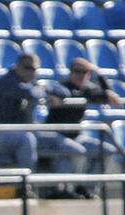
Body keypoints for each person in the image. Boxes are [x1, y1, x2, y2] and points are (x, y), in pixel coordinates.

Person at [0, 54, 85, 198]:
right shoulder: (7, 82)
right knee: (26, 139)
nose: (30, 72)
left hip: (21, 132)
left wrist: (45, 88)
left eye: (34, 69)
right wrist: (45, 93)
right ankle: (24, 188)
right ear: (17, 67)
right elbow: (29, 92)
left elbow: (64, 92)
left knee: (68, 146)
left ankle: (62, 190)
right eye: (27, 68)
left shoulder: (33, 82)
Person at [45, 58, 122, 187]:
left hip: (76, 136)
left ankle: (86, 189)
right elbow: (54, 92)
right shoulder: (62, 87)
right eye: (77, 71)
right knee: (75, 150)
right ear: (70, 73)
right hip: (56, 135)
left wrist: (99, 74)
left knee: (107, 151)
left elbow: (112, 98)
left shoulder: (88, 90)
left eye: (85, 72)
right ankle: (64, 191)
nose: (81, 75)